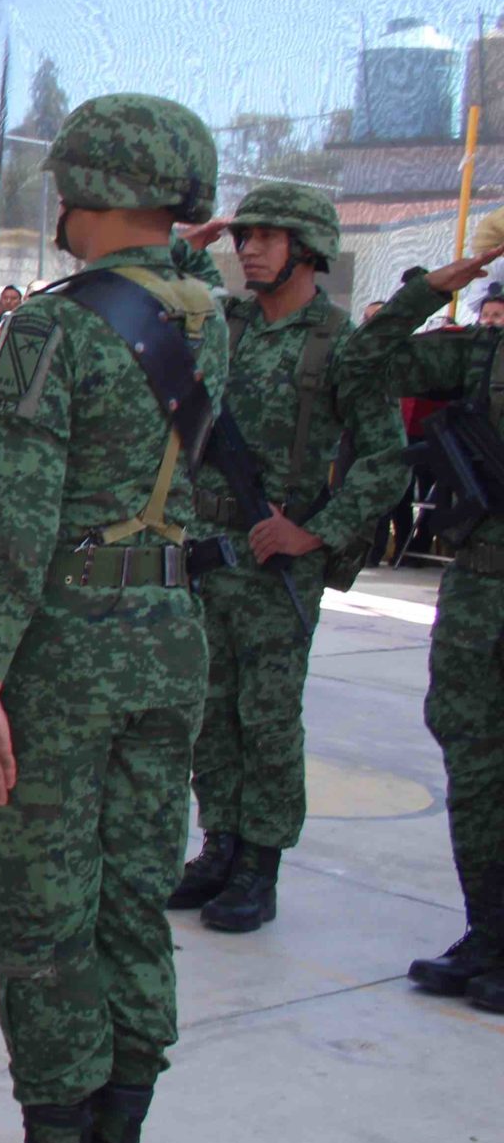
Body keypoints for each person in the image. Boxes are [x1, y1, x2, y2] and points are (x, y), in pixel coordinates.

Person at [0, 94, 228, 1143]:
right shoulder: (212, 319)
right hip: (168, 637)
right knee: (132, 911)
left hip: (62, 655)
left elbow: (12, 519)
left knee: (42, 918)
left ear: (88, 187)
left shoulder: (54, 330)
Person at [164, 184, 407, 935]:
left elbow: (385, 457)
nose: (249, 250)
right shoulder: (222, 321)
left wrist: (317, 533)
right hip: (208, 551)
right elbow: (150, 290)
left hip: (276, 560)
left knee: (267, 716)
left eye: (268, 238)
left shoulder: (340, 342)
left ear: (308, 250)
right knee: (209, 709)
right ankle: (220, 844)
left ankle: (260, 866)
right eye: (246, 238)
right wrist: (195, 240)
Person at [314, 243, 504, 1010]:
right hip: (481, 587)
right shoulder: (485, 355)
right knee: (475, 760)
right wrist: (428, 290)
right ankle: (488, 931)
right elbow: (360, 367)